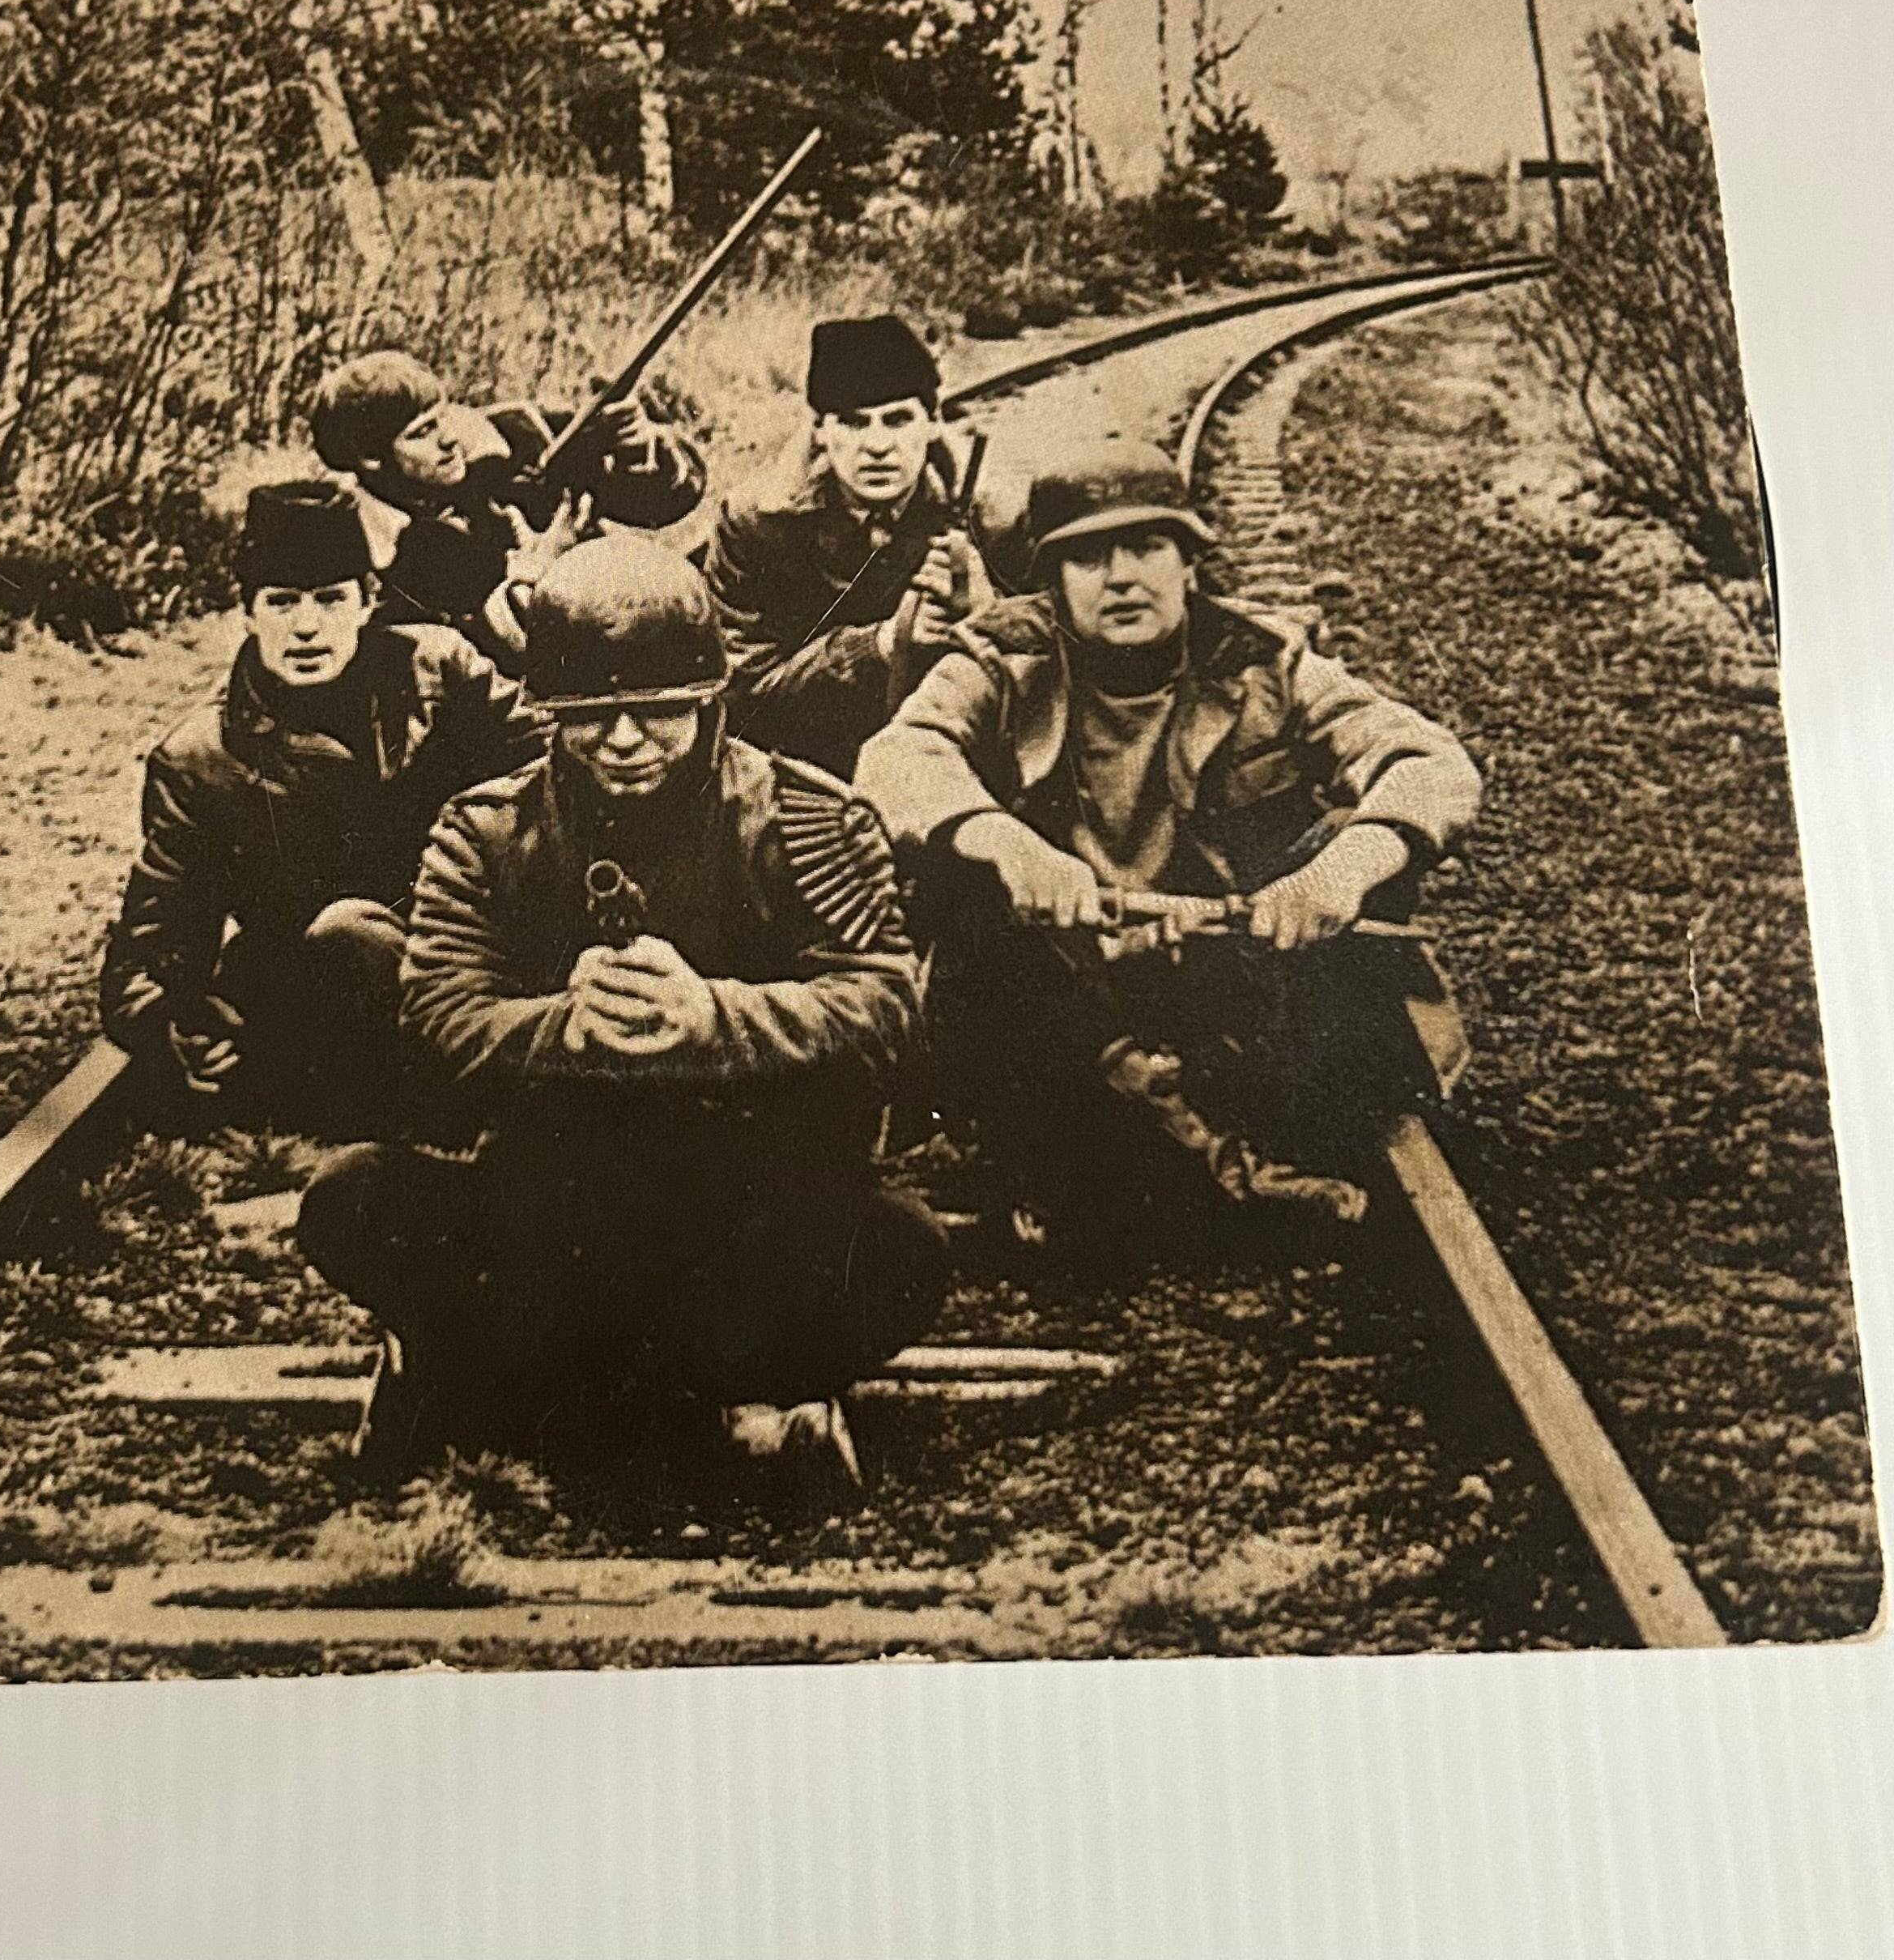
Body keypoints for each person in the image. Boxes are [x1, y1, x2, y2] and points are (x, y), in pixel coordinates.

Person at [296, 535, 952, 1481]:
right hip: (549, 1200)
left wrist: (713, 1017)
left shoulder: (809, 818)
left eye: (658, 711)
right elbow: (438, 1005)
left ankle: (697, 1387)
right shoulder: (487, 831)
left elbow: (883, 1001)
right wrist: (568, 1025)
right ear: (549, 714)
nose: (624, 740)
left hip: (746, 1201)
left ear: (710, 700)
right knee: (353, 1197)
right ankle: (652, 1389)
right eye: (590, 716)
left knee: (899, 1248)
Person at [855, 436, 1482, 1253]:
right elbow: (896, 760)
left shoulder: (1265, 660)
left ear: (1189, 563)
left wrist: (1345, 868)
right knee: (962, 885)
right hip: (1070, 981)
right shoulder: (1003, 657)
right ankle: (1145, 1152)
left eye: (1148, 547)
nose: (1122, 578)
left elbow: (1429, 761)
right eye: (1088, 558)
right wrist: (1006, 842)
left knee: (1350, 851)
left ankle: (1195, 1137)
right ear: (1052, 581)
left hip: (1227, 970)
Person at [98, 473, 542, 1150]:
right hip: (322, 993)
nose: (306, 627)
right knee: (346, 938)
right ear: (248, 613)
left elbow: (552, 775)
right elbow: (150, 949)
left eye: (331, 599)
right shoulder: (200, 759)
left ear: (367, 601)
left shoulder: (440, 670)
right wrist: (169, 1027)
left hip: (471, 951)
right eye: (281, 603)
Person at [703, 313, 1002, 778]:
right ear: (820, 431)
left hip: (949, 745)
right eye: (854, 423)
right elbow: (740, 691)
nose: (878, 446)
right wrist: (881, 644)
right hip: (804, 760)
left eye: (898, 420)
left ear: (933, 423)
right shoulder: (757, 524)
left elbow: (1055, 660)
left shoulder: (987, 512)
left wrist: (987, 615)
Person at [309, 347, 708, 667]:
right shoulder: (366, 548)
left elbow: (664, 504)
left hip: (619, 617)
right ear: (371, 460)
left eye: (443, 416)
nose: (448, 439)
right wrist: (545, 567)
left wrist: (635, 444)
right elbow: (475, 655)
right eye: (421, 433)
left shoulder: (516, 436)